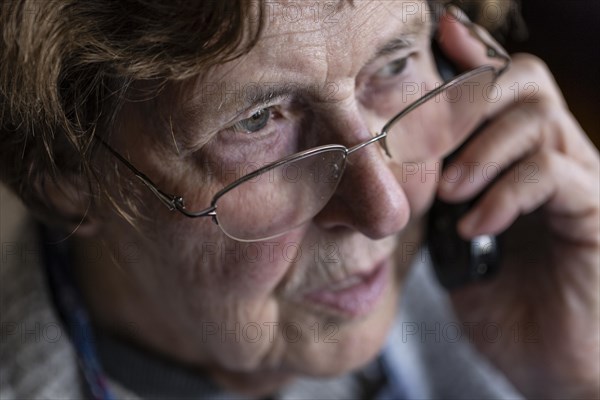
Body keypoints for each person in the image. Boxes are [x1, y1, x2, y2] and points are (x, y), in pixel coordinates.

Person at [1, 0, 598, 398]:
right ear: (66, 170)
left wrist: (578, 378)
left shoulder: (497, 273)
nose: (385, 208)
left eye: (393, 66)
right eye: (258, 121)